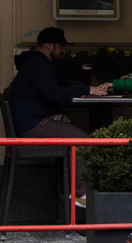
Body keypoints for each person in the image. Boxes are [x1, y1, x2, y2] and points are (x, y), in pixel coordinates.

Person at [8, 26, 106, 202]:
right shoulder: (39, 64)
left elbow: (61, 86)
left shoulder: (37, 63)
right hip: (33, 125)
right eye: (61, 47)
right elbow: (52, 93)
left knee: (77, 133)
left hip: (31, 122)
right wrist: (86, 88)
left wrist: (84, 87)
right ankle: (81, 196)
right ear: (49, 46)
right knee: (83, 140)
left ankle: (74, 193)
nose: (63, 51)